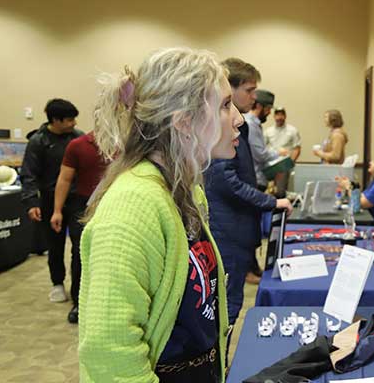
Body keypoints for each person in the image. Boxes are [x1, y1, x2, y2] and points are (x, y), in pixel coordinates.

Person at [78, 48, 238, 382]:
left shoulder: (185, 190)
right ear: (184, 121)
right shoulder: (133, 205)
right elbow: (109, 354)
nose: (238, 118)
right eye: (225, 105)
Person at [204, 58, 293, 327]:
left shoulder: (238, 124)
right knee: (227, 306)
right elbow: (227, 182)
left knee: (231, 302)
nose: (254, 98)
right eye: (250, 90)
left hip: (238, 226)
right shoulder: (221, 126)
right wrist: (271, 201)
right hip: (228, 229)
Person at [19, 98, 83, 303]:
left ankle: (78, 288)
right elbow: (28, 175)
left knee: (78, 245)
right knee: (54, 246)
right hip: (49, 200)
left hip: (76, 200)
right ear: (55, 120)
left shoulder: (78, 139)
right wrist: (31, 203)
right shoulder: (38, 142)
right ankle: (57, 283)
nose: (73, 123)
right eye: (69, 120)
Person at [50, 130, 108, 323]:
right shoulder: (78, 145)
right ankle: (79, 303)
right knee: (80, 253)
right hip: (83, 205)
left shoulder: (126, 144)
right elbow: (65, 179)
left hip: (115, 201)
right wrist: (57, 210)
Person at [244, 89, 287, 189]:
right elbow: (260, 155)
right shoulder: (251, 125)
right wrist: (278, 153)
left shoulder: (254, 123)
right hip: (255, 180)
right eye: (268, 109)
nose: (269, 113)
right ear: (259, 106)